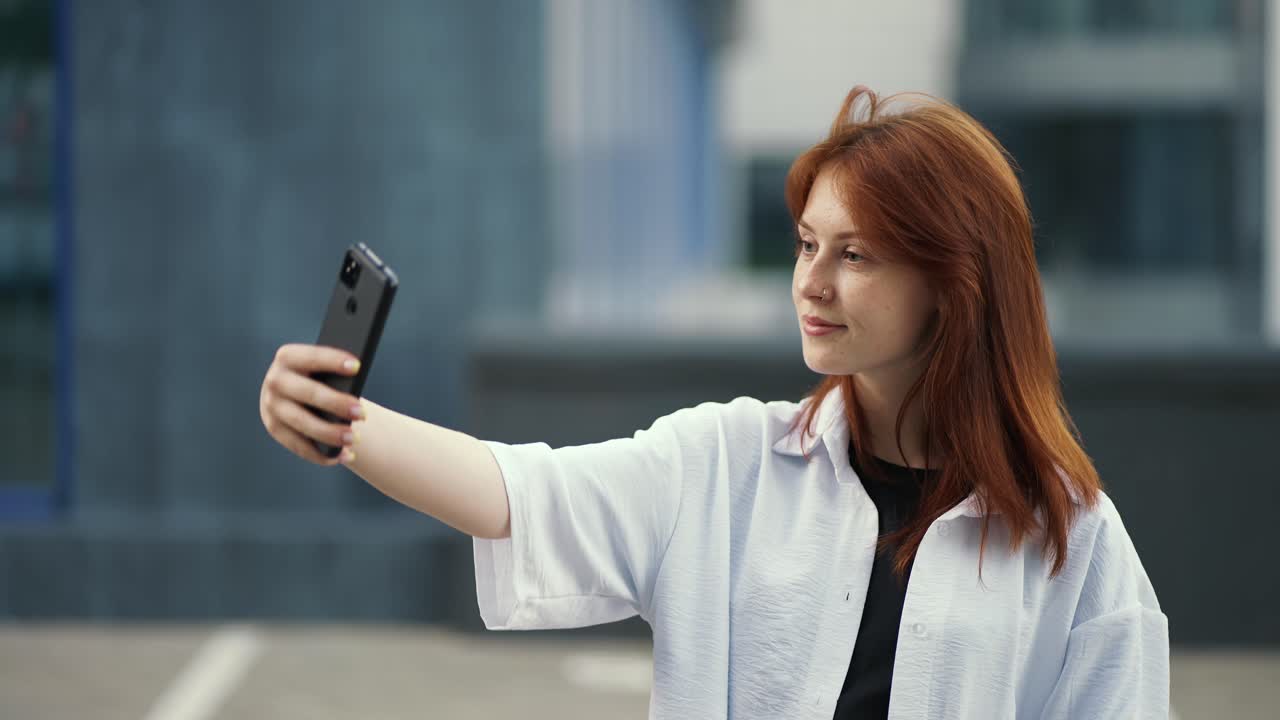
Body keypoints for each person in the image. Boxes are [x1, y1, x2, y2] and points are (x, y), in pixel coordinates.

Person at [259, 86, 1169, 719]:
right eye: (806, 243)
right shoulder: (726, 463)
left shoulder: (1075, 541)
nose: (811, 282)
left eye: (855, 255)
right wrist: (349, 427)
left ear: (954, 284)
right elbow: (521, 493)